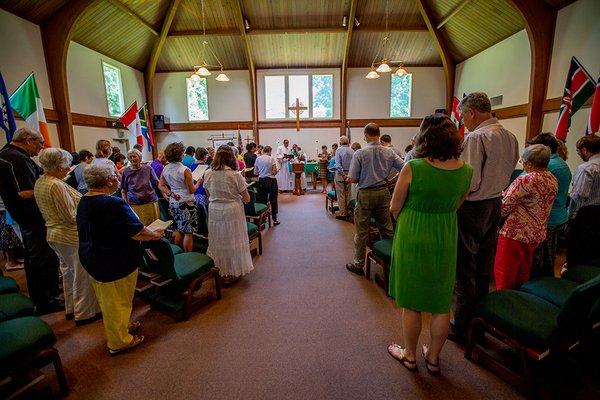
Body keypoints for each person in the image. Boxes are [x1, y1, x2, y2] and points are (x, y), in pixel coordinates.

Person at [387, 113, 473, 374]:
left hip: (413, 231)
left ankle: (410, 355)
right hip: (445, 232)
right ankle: (433, 359)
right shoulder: (466, 170)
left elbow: (394, 206)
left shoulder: (414, 166)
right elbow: (459, 203)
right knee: (441, 301)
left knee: (411, 301)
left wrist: (413, 217)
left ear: (424, 137)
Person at [452, 92, 519, 343]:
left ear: (471, 112)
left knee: (464, 268)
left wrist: (455, 204)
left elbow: (470, 181)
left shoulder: (476, 137)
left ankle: (461, 326)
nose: (462, 121)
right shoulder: (510, 136)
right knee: (483, 265)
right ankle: (480, 320)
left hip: (473, 206)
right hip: (496, 203)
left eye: (463, 116)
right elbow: (511, 168)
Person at [77, 164, 164, 355]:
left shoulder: (85, 199)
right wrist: (154, 234)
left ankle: (122, 326)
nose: (118, 178)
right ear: (108, 180)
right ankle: (119, 341)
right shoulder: (112, 203)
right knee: (117, 302)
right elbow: (137, 231)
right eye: (116, 176)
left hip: (93, 256)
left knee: (110, 299)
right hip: (112, 260)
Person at [34, 148, 101, 324]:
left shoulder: (41, 182)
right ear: (58, 164)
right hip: (69, 235)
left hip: (55, 234)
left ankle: (71, 308)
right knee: (82, 274)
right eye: (66, 165)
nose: (69, 168)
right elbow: (70, 216)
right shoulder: (56, 185)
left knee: (68, 273)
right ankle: (85, 313)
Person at [0, 127, 61, 314]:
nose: (42, 147)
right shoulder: (17, 159)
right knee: (41, 259)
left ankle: (45, 296)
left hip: (24, 217)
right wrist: (53, 186)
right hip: (33, 217)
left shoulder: (5, 154)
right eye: (40, 142)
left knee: (34, 257)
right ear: (28, 140)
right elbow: (25, 191)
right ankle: (45, 301)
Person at [494, 145, 558, 290]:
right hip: (536, 233)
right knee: (523, 273)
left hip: (515, 234)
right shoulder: (552, 178)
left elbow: (504, 208)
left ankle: (503, 305)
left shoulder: (526, 179)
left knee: (505, 275)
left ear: (529, 163)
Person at [345, 123, 404, 275]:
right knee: (387, 228)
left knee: (361, 231)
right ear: (379, 134)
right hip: (384, 192)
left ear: (365, 135)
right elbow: (404, 167)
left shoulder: (360, 153)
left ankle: (358, 265)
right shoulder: (389, 152)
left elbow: (352, 178)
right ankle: (393, 262)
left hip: (365, 194)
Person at [203, 146, 254, 284]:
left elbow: (208, 193)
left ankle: (220, 269)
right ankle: (232, 271)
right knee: (233, 239)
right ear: (231, 157)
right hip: (232, 209)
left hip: (215, 209)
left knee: (219, 239)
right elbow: (247, 198)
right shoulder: (234, 174)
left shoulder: (208, 173)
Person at [526, 134, 572, 278]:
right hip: (559, 215)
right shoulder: (561, 163)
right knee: (549, 256)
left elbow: (525, 188)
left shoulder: (546, 167)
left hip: (547, 218)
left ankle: (536, 288)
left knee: (538, 261)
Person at [159, 142, 201, 252]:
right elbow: (192, 190)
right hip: (186, 201)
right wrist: (199, 181)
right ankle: (188, 254)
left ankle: (178, 252)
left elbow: (161, 185)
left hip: (173, 201)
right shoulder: (185, 170)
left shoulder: (166, 168)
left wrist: (171, 194)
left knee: (178, 229)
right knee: (188, 232)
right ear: (181, 154)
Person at [120, 149, 160, 226]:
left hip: (150, 201)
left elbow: (157, 182)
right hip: (134, 203)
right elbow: (123, 189)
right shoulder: (126, 171)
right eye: (130, 157)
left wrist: (165, 194)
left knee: (153, 225)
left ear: (140, 157)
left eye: (134, 156)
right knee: (139, 226)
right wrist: (125, 203)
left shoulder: (148, 168)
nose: (132, 159)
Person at [568, 134, 600, 220]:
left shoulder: (585, 168)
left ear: (584, 150)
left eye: (578, 151)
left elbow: (578, 197)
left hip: (586, 217)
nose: (578, 153)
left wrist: (570, 217)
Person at [254, 146, 280, 225]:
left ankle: (263, 219)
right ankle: (274, 220)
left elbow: (255, 172)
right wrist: (277, 171)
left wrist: (262, 172)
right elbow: (274, 171)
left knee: (262, 200)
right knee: (273, 200)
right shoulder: (271, 159)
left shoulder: (258, 159)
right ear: (269, 151)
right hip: (271, 180)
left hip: (261, 181)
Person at [0, 197, 24, 270]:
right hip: (4, 208)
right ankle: (10, 262)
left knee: (10, 235)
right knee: (8, 235)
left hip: (5, 207)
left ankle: (12, 260)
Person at [334, 136, 354, 220]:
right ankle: (349, 211)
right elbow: (354, 164)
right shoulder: (352, 150)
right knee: (348, 194)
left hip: (340, 175)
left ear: (341, 142)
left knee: (341, 194)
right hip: (350, 174)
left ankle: (343, 213)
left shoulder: (339, 150)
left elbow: (338, 165)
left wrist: (342, 174)